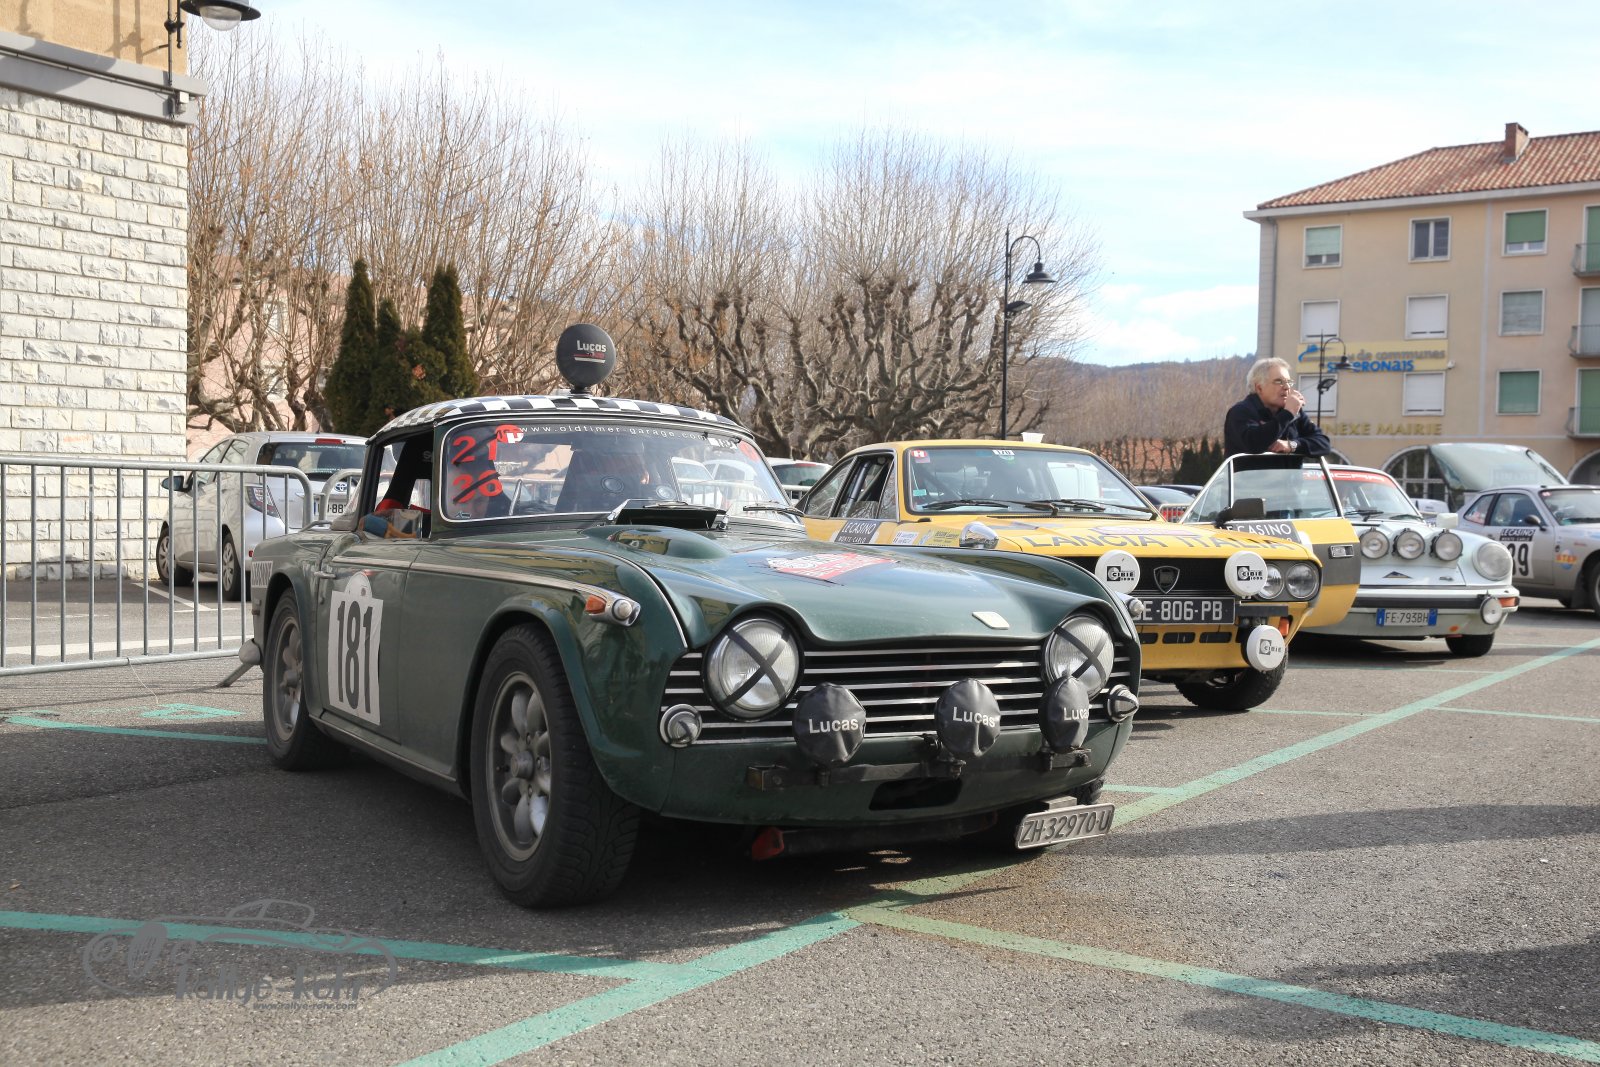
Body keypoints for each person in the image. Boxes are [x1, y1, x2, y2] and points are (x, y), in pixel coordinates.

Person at [1224, 358, 1332, 457]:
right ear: (1259, 388)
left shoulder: (1295, 412)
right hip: (1251, 473)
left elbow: (1324, 444)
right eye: (1279, 381)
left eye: (1289, 382)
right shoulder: (1240, 412)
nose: (1287, 387)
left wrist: (1292, 445)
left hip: (1289, 473)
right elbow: (1254, 444)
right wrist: (1287, 414)